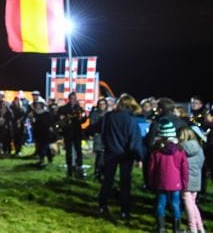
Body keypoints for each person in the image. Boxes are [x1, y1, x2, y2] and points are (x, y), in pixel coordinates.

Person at [97, 93, 146, 221]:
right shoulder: (131, 120)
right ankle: (124, 210)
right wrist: (139, 157)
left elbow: (103, 134)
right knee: (125, 183)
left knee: (107, 180)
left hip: (111, 152)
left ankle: (102, 206)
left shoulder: (109, 116)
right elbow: (134, 141)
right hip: (126, 155)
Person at [147, 119, 188, 233]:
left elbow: (151, 169)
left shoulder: (156, 151)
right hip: (176, 182)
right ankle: (177, 228)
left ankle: (161, 227)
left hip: (161, 181)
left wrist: (151, 182)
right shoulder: (179, 150)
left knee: (161, 203)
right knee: (175, 203)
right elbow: (184, 168)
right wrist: (185, 183)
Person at [179, 126, 206, 233]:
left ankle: (192, 228)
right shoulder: (199, 148)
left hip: (185, 179)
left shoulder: (181, 149)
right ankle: (200, 227)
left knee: (188, 204)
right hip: (196, 178)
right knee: (193, 204)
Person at [57, 92, 87, 178]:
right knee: (68, 151)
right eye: (72, 98)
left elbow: (82, 121)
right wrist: (63, 118)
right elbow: (58, 118)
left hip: (77, 132)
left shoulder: (79, 109)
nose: (73, 100)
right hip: (68, 132)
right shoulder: (63, 108)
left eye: (74, 98)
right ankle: (69, 167)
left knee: (79, 150)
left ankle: (79, 167)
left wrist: (84, 117)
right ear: (69, 99)